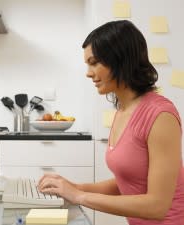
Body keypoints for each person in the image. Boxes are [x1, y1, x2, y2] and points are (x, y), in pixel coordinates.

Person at [38, 20, 184, 225]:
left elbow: (157, 206)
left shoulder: (161, 116)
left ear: (120, 59)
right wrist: (75, 187)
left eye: (95, 62)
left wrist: (79, 196)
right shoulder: (123, 110)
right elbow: (128, 182)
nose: (89, 73)